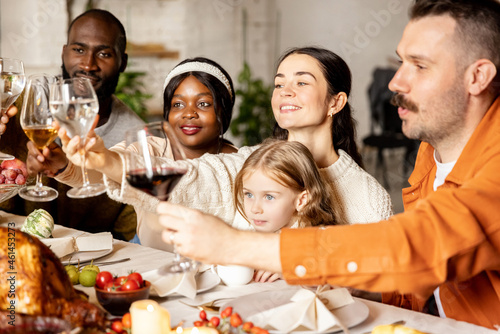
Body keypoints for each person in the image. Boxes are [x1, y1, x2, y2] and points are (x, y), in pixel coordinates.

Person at [155, 0, 500, 329]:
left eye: (420, 66)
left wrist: (237, 246)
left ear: (478, 77)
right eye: (401, 64)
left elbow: (421, 243)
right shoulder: (433, 151)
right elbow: (421, 283)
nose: (395, 82)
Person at [64, 46, 392, 237]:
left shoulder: (368, 197)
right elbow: (189, 178)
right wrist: (107, 161)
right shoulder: (247, 163)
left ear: (336, 102)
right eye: (279, 84)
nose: (285, 92)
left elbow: (377, 283)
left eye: (301, 82)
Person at [57, 57, 237, 249]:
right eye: (178, 104)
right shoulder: (146, 148)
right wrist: (63, 164)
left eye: (203, 104)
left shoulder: (240, 162)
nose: (189, 113)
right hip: (152, 258)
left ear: (223, 111)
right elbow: (102, 173)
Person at [3, 9, 145, 240]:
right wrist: (28, 173)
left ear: (123, 62)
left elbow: (129, 237)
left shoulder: (136, 139)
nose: (88, 65)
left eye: (104, 54)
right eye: (79, 50)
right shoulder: (21, 108)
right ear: (63, 53)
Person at [232, 139, 337, 282]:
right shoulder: (245, 224)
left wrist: (295, 268)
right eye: (249, 194)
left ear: (301, 200)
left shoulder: (317, 238)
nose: (254, 208)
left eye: (269, 197)